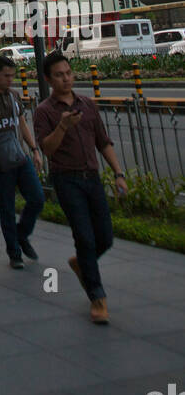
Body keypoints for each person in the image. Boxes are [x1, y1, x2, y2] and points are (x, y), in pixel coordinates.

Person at [33, 51, 128, 325]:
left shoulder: (87, 104)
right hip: (67, 180)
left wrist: (118, 173)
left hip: (93, 178)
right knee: (84, 237)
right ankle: (97, 297)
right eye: (59, 75)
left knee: (105, 237)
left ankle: (81, 263)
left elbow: (103, 141)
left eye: (68, 73)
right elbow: (47, 149)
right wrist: (62, 125)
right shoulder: (45, 111)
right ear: (49, 80)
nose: (66, 79)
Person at [0, 55, 44, 268]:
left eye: (12, 75)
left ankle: (21, 235)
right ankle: (14, 253)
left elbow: (22, 125)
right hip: (0, 163)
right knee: (7, 207)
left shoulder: (14, 96)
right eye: (6, 75)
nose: (10, 79)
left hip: (20, 157)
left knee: (37, 198)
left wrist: (34, 149)